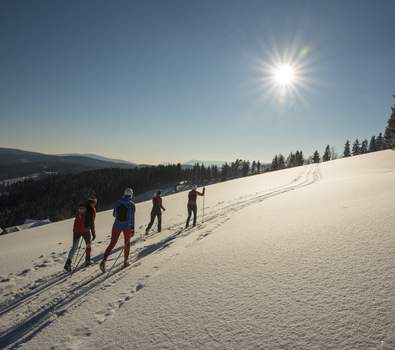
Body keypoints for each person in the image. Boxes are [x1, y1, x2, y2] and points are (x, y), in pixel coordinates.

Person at [100, 188, 135, 272]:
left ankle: (103, 261)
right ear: (131, 195)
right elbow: (132, 218)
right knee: (127, 243)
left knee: (112, 243)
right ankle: (126, 261)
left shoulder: (118, 202)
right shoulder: (132, 205)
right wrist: (132, 228)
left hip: (116, 225)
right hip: (126, 226)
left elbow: (114, 214)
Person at [64, 196, 97, 272]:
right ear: (93, 203)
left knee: (74, 247)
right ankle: (87, 261)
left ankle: (68, 263)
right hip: (85, 230)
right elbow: (92, 223)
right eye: (95, 203)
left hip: (76, 230)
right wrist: (93, 233)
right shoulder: (92, 210)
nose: (95, 205)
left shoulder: (81, 207)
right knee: (88, 244)